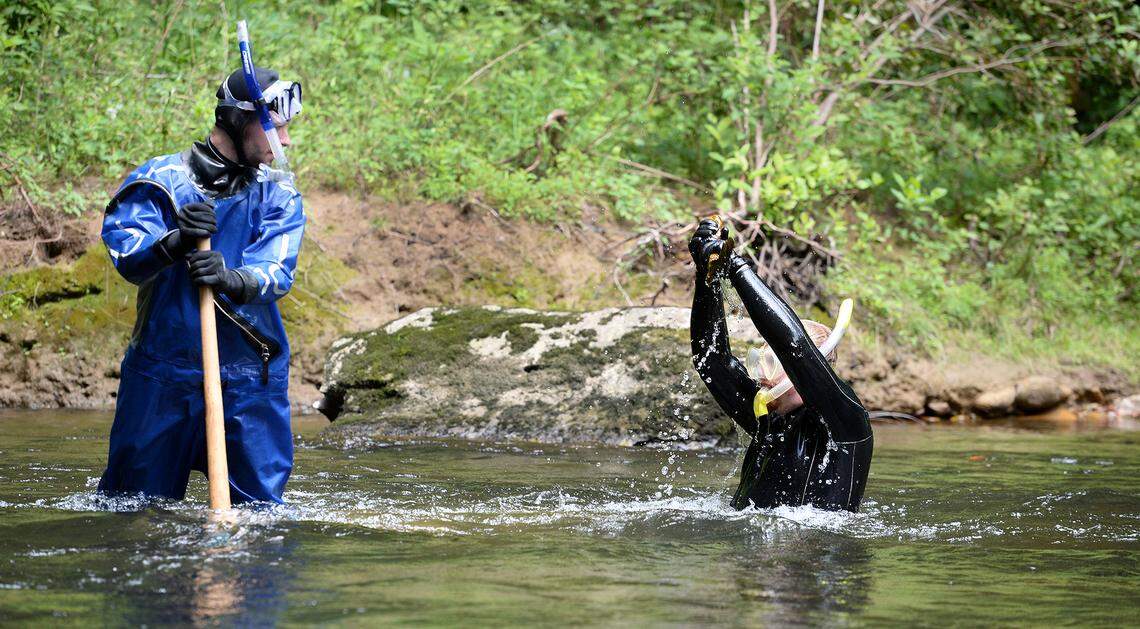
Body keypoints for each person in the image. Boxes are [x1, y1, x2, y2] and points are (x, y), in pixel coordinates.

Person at [97, 66, 305, 504]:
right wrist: (172, 243)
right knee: (133, 513)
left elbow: (276, 270)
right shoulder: (158, 181)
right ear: (236, 119)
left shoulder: (279, 195)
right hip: (161, 376)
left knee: (259, 527)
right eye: (275, 128)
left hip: (250, 379)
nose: (284, 142)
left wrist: (231, 278)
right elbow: (127, 256)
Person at [689, 218, 872, 512]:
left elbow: (795, 347)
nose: (761, 373)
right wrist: (706, 275)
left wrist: (735, 265)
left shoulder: (847, 423)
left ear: (813, 369)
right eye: (758, 361)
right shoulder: (770, 423)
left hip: (811, 553)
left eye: (773, 361)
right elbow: (710, 361)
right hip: (757, 553)